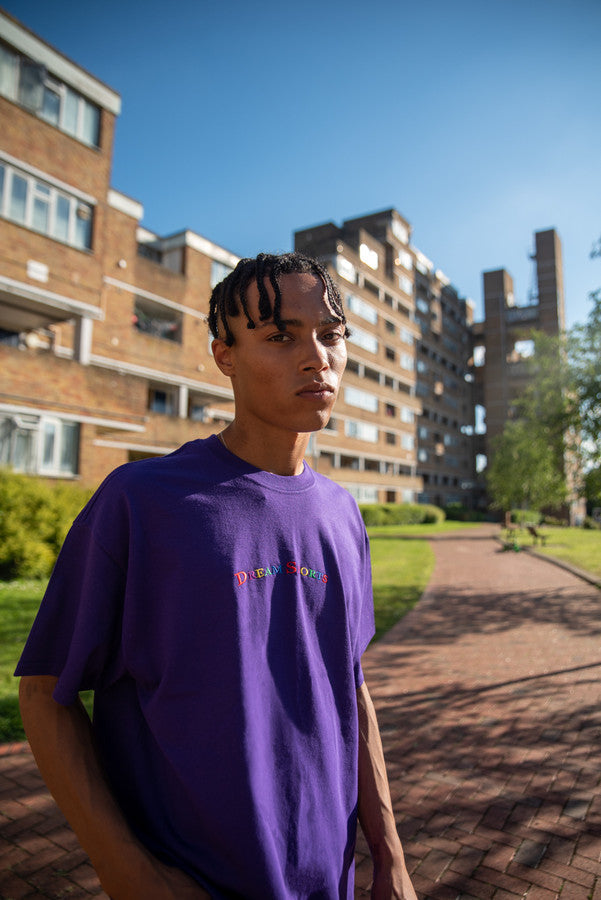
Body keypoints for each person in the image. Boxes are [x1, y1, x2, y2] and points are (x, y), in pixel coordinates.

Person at [16, 251, 417, 900]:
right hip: (191, 880)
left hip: (329, 877)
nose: (316, 356)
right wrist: (128, 871)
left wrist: (390, 858)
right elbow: (42, 694)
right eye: (280, 336)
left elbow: (350, 686)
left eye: (331, 334)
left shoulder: (343, 513)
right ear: (223, 355)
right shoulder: (141, 501)